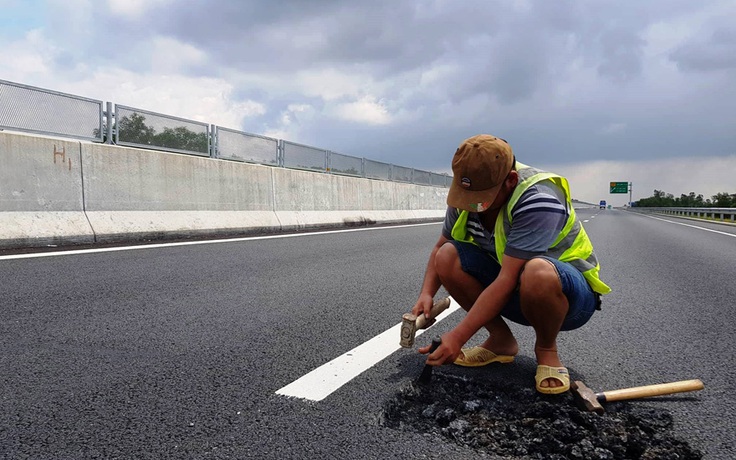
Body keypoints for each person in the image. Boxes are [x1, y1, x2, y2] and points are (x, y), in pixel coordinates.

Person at [412, 134, 611, 394]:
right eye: (468, 195)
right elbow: (440, 246)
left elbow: (507, 279)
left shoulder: (538, 199)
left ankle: (547, 350)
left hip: (565, 297)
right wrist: (426, 294)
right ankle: (500, 342)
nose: (474, 206)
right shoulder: (467, 194)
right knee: (447, 256)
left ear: (510, 181)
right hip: (514, 288)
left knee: (537, 270)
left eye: (483, 199)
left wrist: (458, 337)